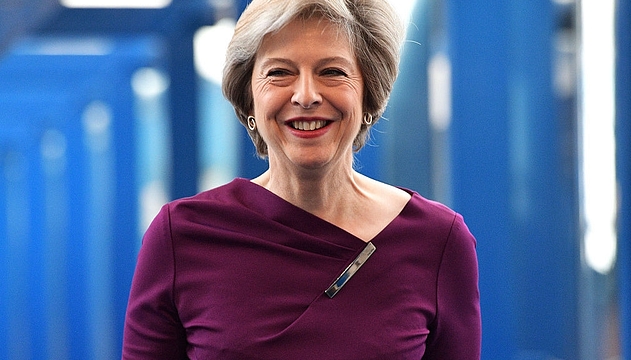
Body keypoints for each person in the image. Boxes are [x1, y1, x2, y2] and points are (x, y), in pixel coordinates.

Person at [122, 0, 481, 358]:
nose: (306, 96)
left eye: (332, 72)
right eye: (280, 72)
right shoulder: (180, 237)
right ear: (249, 101)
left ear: (368, 94)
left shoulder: (438, 242)